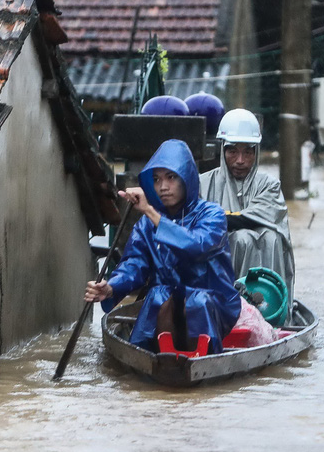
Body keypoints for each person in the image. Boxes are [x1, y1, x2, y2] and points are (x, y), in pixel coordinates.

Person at [85, 139, 241, 354]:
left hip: (212, 302)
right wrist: (111, 286)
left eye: (171, 177)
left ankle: (204, 353)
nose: (163, 187)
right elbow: (134, 263)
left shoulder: (212, 215)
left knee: (197, 301)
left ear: (186, 179)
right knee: (157, 295)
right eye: (156, 180)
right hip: (166, 302)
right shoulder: (147, 224)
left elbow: (196, 245)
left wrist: (150, 212)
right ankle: (153, 353)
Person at [199, 108, 296, 298]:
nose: (240, 161)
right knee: (239, 238)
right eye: (233, 152)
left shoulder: (270, 186)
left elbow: (258, 216)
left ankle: (270, 303)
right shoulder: (203, 184)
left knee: (271, 237)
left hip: (268, 299)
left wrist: (217, 217)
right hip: (214, 288)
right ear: (222, 150)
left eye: (247, 152)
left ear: (256, 152)